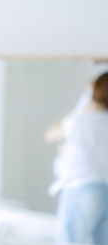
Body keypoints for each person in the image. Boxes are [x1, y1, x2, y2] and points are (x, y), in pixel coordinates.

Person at [46, 69, 108, 245]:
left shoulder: (80, 121)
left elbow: (50, 134)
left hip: (81, 188)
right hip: (105, 188)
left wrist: (81, 106)